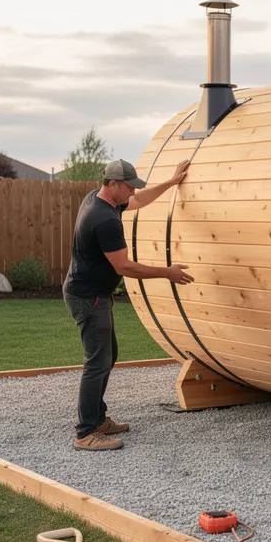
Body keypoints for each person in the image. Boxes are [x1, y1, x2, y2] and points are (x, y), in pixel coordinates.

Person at [64, 158, 194, 451]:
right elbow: (124, 266)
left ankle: (98, 419)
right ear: (113, 185)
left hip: (93, 294)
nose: (132, 192)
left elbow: (140, 200)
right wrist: (167, 272)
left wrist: (171, 182)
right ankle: (86, 433)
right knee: (97, 362)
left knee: (107, 356)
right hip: (89, 297)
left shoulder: (101, 200)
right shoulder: (105, 219)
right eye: (128, 187)